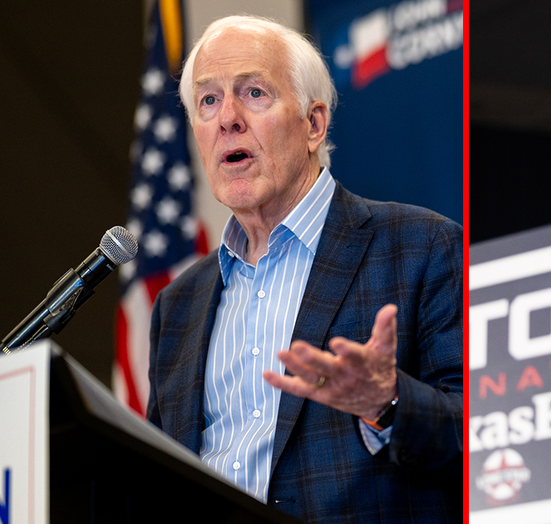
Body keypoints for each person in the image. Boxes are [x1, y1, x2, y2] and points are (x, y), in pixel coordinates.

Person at [145, 15, 462, 523]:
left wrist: (387, 403)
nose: (227, 118)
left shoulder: (420, 246)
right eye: (208, 100)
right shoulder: (178, 303)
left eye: (252, 93)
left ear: (313, 124)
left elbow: (487, 431)